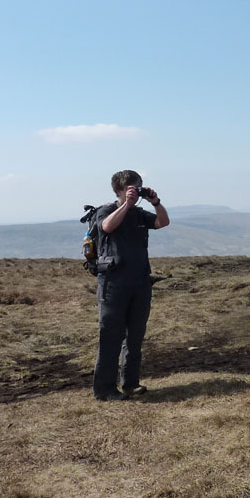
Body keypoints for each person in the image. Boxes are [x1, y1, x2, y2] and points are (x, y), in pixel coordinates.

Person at [92, 169, 170, 401]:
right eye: (131, 188)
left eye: (139, 187)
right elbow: (106, 227)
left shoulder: (139, 214)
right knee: (110, 336)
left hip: (140, 282)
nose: (136, 192)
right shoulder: (106, 210)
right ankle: (105, 390)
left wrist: (156, 202)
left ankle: (130, 383)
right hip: (113, 285)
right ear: (118, 190)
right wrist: (125, 205)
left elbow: (163, 222)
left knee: (135, 337)